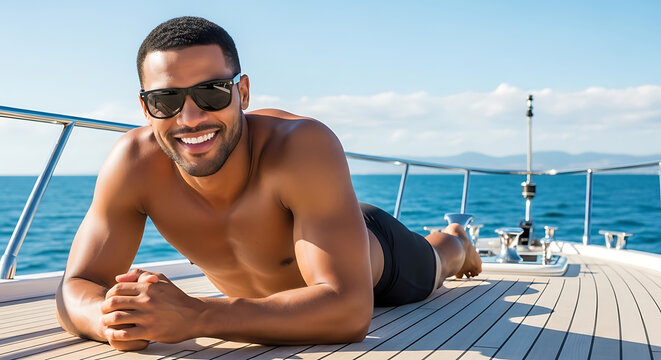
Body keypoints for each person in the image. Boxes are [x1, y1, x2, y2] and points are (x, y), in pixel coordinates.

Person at [56, 16, 482, 351]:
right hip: (308, 244)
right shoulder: (133, 164)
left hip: (376, 262)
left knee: (437, 262)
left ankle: (457, 239)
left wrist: (199, 316)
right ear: (146, 108)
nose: (189, 119)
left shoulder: (302, 148)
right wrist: (109, 319)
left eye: (211, 93)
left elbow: (350, 313)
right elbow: (76, 286)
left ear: (242, 93)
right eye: (166, 100)